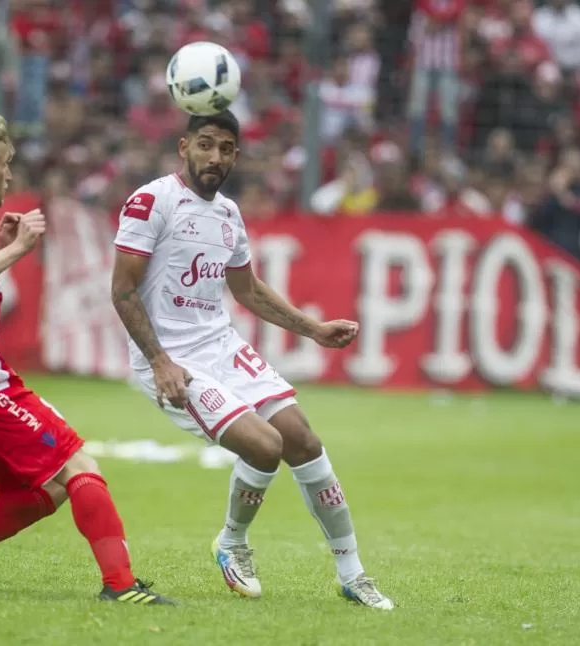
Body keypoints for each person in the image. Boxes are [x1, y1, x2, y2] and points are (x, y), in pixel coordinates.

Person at [110, 110, 393, 610]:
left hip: (221, 346)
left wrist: (314, 329)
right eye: (205, 145)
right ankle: (232, 542)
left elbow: (247, 289)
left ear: (236, 156)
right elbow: (123, 289)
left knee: (303, 440)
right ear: (183, 147)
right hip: (173, 359)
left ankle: (353, 572)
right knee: (265, 446)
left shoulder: (228, 215)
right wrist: (159, 362)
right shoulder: (152, 201)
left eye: (224, 148)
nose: (214, 157)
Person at [0, 100, 174, 605]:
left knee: (41, 491)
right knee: (79, 464)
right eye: (4, 165)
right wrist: (13, 251)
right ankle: (121, 587)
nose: (9, 177)